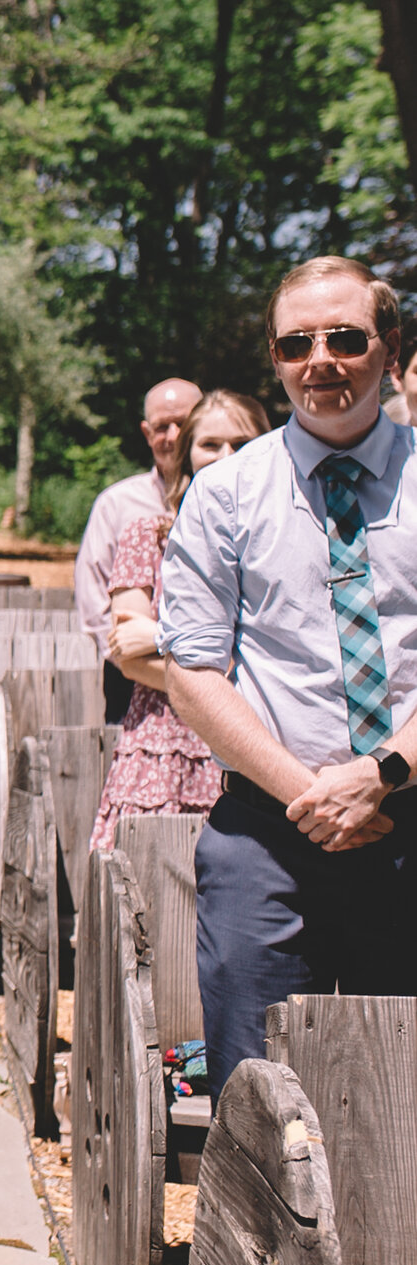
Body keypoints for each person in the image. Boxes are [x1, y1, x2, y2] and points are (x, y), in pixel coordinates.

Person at [161, 255, 417, 1097]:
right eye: (296, 343)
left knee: (402, 1096)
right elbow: (192, 668)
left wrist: (382, 776)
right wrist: (312, 793)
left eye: (345, 337)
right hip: (269, 836)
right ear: (273, 358)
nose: (321, 361)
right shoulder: (227, 492)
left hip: (408, 814)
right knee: (256, 1094)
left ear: (389, 347)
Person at [91, 390, 272, 851]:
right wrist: (236, 668)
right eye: (211, 445)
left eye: (243, 444)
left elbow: (141, 642)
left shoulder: (282, 542)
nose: (226, 457)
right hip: (163, 744)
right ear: (188, 453)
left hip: (254, 744)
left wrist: (158, 636)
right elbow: (128, 657)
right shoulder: (146, 536)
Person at [78, 377, 203, 722]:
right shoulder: (117, 505)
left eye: (184, 423)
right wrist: (146, 669)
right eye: (163, 426)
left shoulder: (243, 501)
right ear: (147, 434)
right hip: (134, 691)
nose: (174, 436)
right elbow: (97, 611)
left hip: (228, 693)